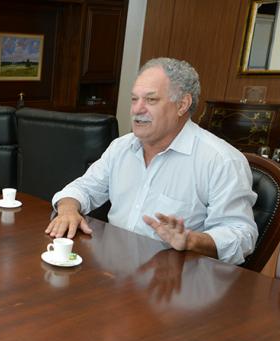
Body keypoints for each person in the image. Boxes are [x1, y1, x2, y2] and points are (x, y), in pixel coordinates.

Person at [45, 58, 258, 265]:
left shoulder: (221, 160)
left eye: (151, 100)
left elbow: (242, 236)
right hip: (115, 269)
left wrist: (191, 240)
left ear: (182, 105)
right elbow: (83, 188)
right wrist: (68, 209)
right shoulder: (121, 147)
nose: (137, 109)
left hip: (174, 278)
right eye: (134, 99)